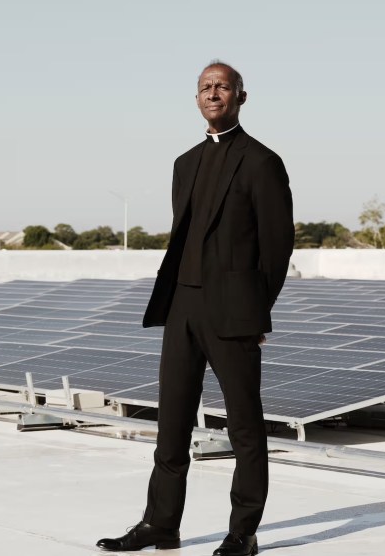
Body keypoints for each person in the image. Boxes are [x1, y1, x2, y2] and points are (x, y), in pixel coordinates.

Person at [97, 61, 294, 556]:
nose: (213, 94)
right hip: (182, 307)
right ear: (196, 98)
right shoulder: (184, 163)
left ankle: (242, 532)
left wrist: (255, 310)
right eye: (206, 87)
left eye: (223, 87)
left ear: (240, 97)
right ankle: (160, 525)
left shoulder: (261, 161)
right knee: (173, 423)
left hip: (233, 313)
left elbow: (277, 247)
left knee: (245, 426)